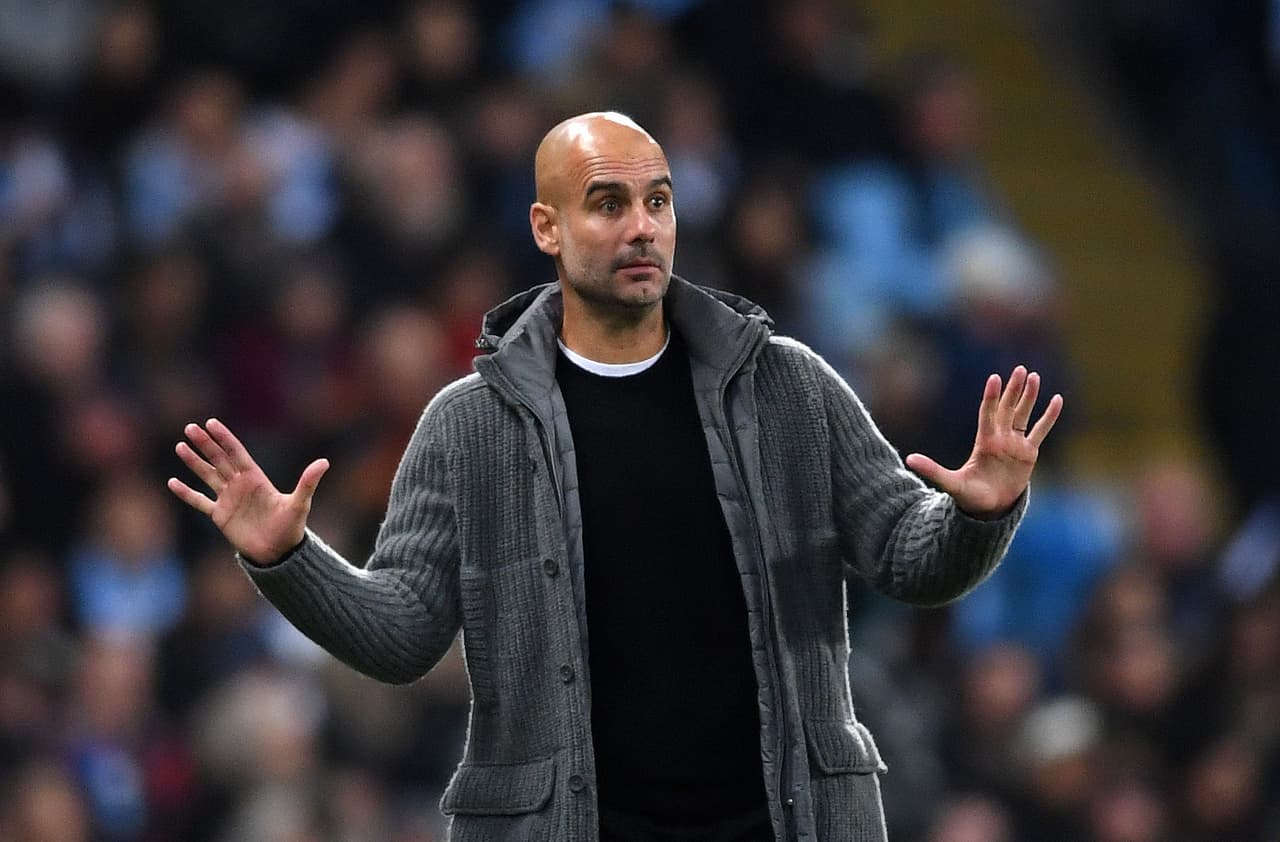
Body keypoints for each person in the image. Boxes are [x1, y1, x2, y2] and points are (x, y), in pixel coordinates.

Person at [167, 112, 1062, 842]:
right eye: (607, 203)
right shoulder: (468, 424)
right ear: (546, 228)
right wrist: (289, 559)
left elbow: (911, 557)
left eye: (658, 201)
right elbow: (402, 636)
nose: (641, 226)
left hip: (787, 821)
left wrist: (980, 513)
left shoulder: (787, 383)